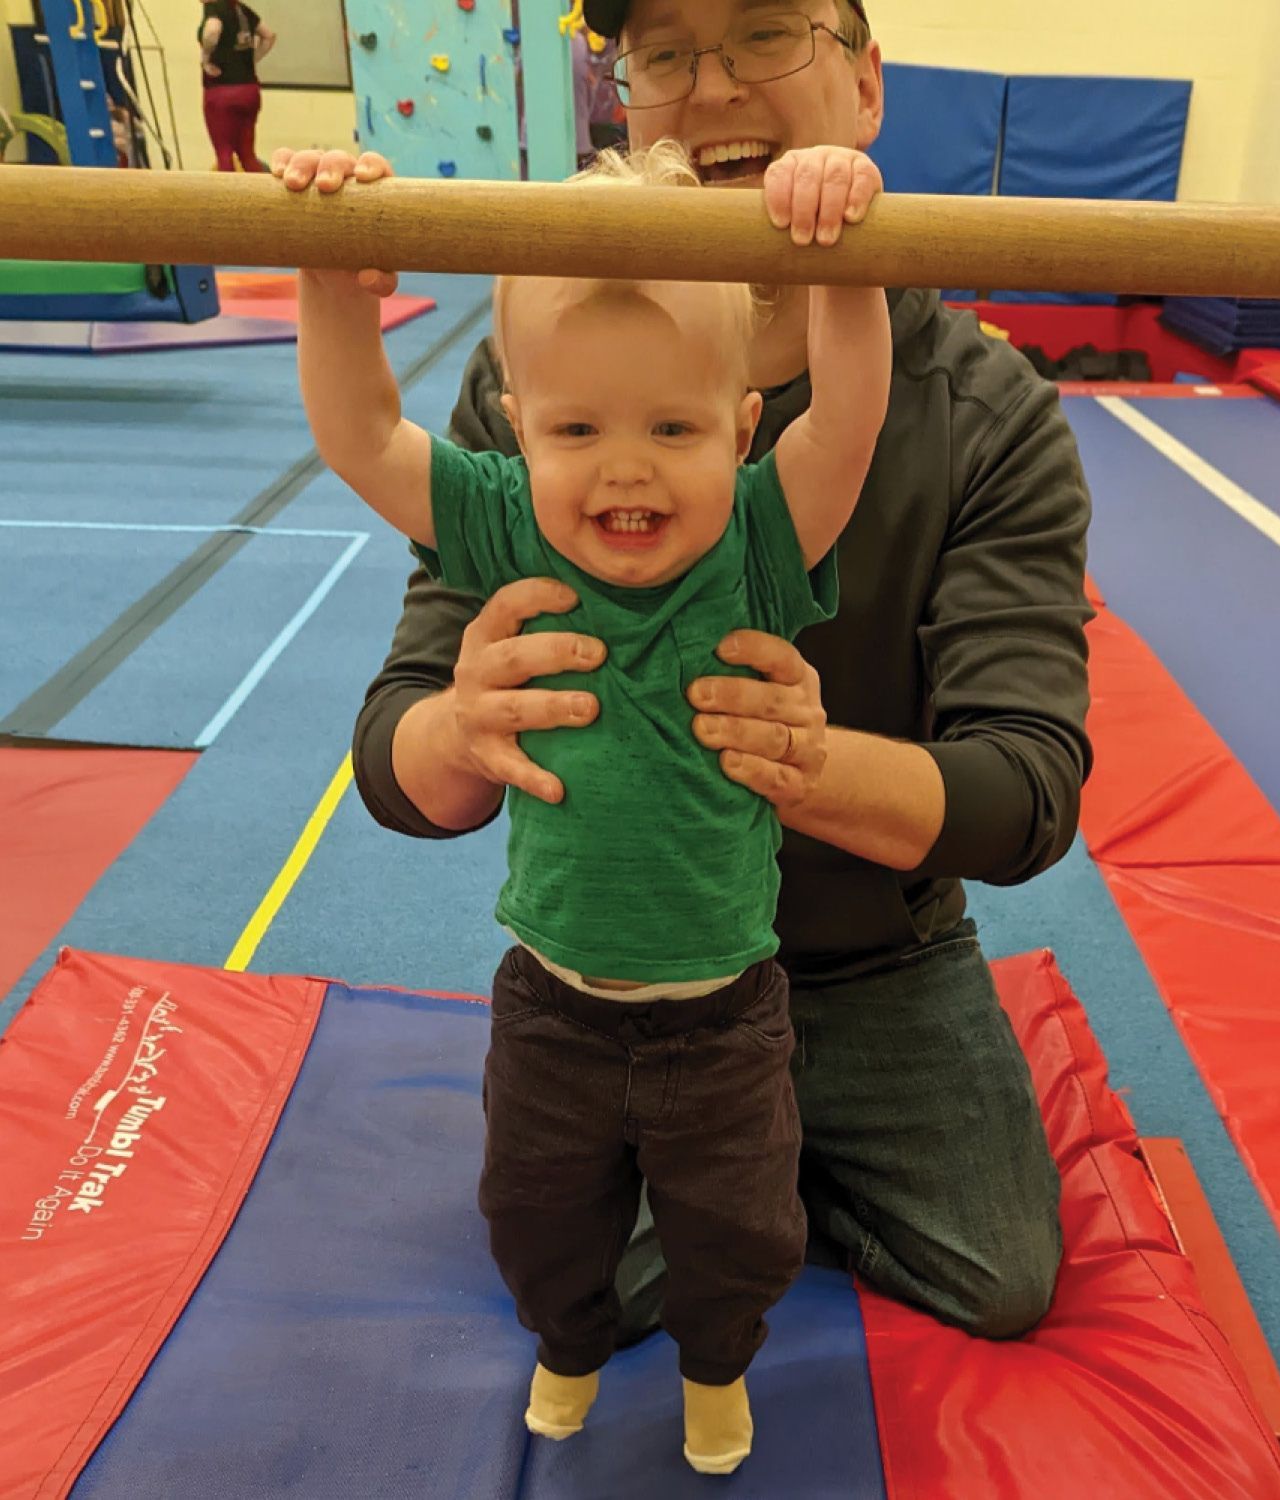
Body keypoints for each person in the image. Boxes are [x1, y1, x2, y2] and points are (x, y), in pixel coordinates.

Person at [347, 0, 1090, 1373]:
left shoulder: (986, 414)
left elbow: (1029, 794)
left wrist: (810, 762)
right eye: (666, 53)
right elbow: (393, 758)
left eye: (764, 35)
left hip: (876, 959)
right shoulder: (539, 384)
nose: (713, 89)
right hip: (623, 971)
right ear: (623, 97)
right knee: (580, 1279)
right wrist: (463, 725)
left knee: (1001, 1273)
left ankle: (758, 1157)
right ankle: (741, 1168)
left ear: (867, 86)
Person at [277, 137, 891, 1473]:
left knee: (741, 1226)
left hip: (723, 1012)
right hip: (553, 1002)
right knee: (536, 1208)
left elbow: (845, 423)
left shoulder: (758, 540)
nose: (624, 473)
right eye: (577, 430)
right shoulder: (501, 525)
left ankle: (717, 1362)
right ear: (513, 427)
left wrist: (847, 264)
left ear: (740, 430)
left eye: (672, 429)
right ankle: (568, 1334)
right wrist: (336, 285)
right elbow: (361, 436)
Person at [197, 0, 275, 172]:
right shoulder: (243, 9)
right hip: (249, 90)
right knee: (248, 155)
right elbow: (269, 36)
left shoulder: (213, 8)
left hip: (222, 91)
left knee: (224, 154)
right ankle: (260, 195)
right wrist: (252, 60)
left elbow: (212, 30)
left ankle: (226, 198)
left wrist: (206, 58)